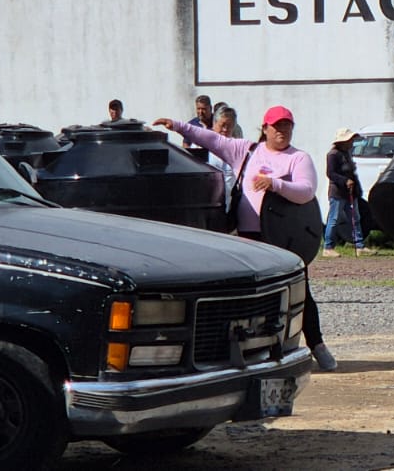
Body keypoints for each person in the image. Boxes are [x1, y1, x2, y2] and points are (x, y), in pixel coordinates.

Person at [152, 105, 340, 372]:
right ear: (265, 128)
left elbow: (306, 191)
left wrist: (275, 184)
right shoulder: (248, 150)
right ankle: (255, 352)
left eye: (287, 126)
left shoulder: (298, 158)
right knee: (252, 296)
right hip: (250, 237)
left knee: (299, 293)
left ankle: (317, 344)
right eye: (277, 126)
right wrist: (179, 125)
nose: (282, 131)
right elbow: (214, 140)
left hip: (284, 238)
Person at [323, 127, 372, 258]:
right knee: (334, 219)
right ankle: (328, 247)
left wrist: (357, 189)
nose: (352, 142)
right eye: (350, 139)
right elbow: (331, 173)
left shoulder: (347, 153)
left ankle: (359, 246)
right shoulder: (332, 154)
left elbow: (352, 173)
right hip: (338, 193)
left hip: (350, 193)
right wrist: (345, 181)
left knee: (355, 218)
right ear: (343, 141)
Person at [186, 95, 215, 162]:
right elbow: (186, 144)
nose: (200, 112)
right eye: (198, 109)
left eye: (203, 109)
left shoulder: (218, 123)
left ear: (210, 108)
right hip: (197, 162)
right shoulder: (191, 124)